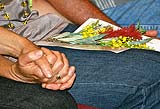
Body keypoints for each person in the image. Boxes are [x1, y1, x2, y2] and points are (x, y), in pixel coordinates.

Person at [0, 0, 159, 109]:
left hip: (47, 26)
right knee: (149, 73)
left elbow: (24, 9)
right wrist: (17, 62)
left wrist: (115, 34)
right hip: (19, 49)